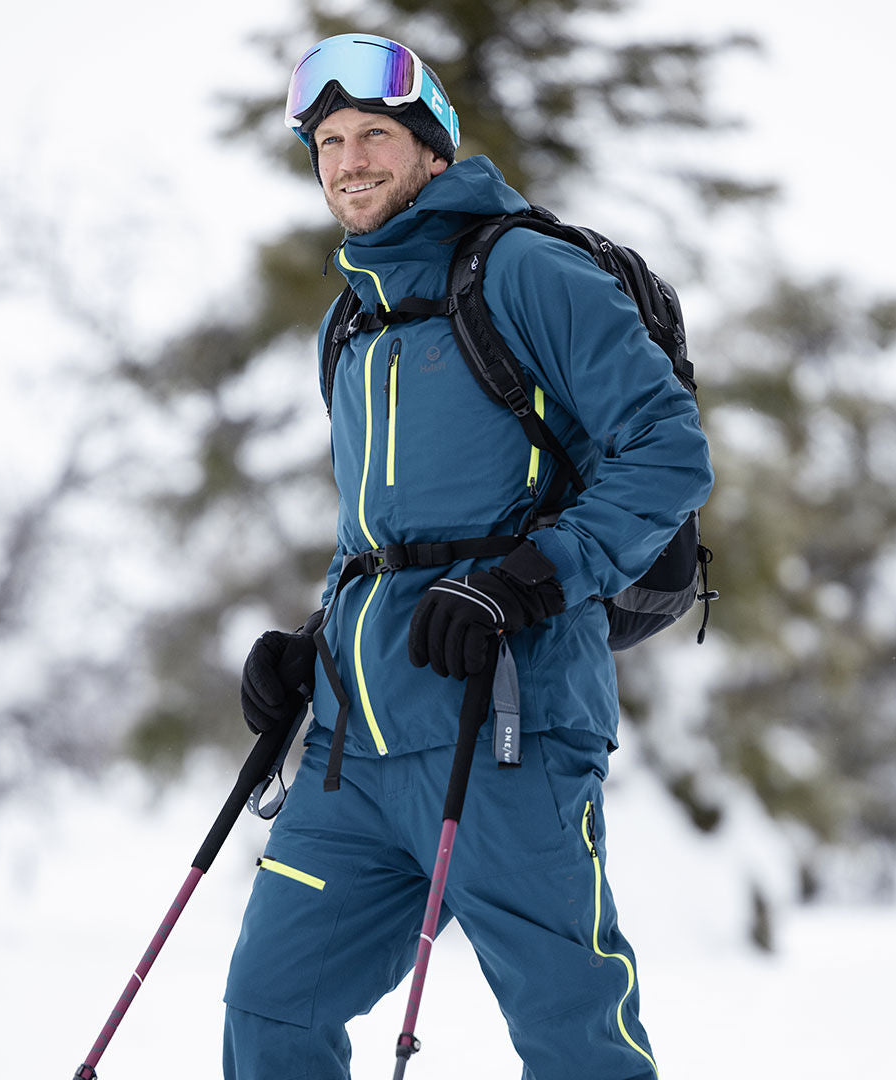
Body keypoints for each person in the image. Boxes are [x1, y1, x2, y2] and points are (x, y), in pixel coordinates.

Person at [225, 32, 715, 1080]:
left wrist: (530, 580)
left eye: (374, 137)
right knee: (270, 1010)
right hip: (354, 751)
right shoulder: (352, 319)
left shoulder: (528, 271)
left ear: (432, 150)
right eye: (329, 143)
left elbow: (668, 454)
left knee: (570, 1028)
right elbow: (376, 539)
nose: (349, 161)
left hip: (509, 730)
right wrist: (315, 645)